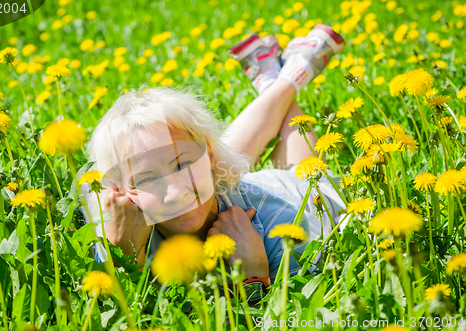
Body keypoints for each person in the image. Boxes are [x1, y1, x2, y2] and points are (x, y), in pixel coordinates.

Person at [84, 24, 347, 291]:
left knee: (303, 169)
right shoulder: (117, 232)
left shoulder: (281, 225)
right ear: (119, 192)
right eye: (147, 178)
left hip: (301, 192)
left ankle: (287, 71)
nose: (175, 193)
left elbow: (289, 316)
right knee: (182, 148)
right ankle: (281, 74)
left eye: (181, 165)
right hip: (229, 184)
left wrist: (253, 279)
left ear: (210, 155)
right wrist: (121, 257)